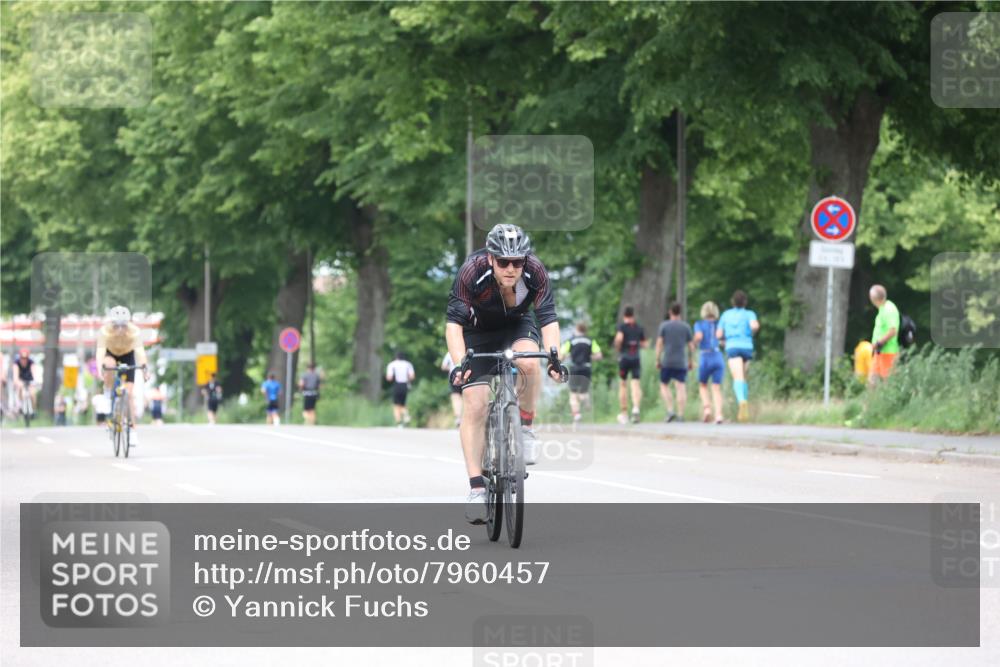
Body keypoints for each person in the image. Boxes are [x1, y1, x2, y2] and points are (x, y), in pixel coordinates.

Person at [446, 223, 567, 524]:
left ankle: (524, 428)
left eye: (517, 262)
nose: (511, 268)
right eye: (503, 262)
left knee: (528, 362)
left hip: (516, 325)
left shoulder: (535, 271)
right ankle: (477, 488)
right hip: (477, 331)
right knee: (475, 402)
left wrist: (554, 357)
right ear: (490, 259)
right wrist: (461, 364)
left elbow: (548, 319)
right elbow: (453, 326)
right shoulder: (471, 271)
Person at [96, 306, 150, 445]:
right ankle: (108, 395)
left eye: (123, 326)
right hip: (111, 354)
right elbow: (100, 355)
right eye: (116, 326)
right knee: (108, 364)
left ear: (128, 324)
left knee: (129, 394)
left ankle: (132, 430)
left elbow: (141, 353)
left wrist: (145, 369)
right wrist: (100, 371)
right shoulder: (104, 332)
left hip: (127, 355)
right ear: (111, 324)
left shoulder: (134, 332)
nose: (120, 329)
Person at [717, 290, 759, 423]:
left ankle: (742, 402)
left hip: (733, 347)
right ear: (745, 302)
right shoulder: (749, 313)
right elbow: (754, 326)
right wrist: (750, 333)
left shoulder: (726, 315)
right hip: (747, 347)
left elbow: (718, 334)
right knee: (744, 378)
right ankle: (744, 411)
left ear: (732, 302)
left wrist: (724, 339)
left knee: (737, 377)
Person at [655, 302, 694, 422]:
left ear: (670, 312)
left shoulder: (664, 326)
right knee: (681, 387)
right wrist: (690, 360)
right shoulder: (686, 327)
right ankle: (681, 414)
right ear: (680, 313)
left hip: (667, 361)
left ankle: (670, 410)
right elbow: (691, 346)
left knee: (664, 385)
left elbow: (659, 344)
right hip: (681, 362)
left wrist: (657, 359)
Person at [560, 322, 603, 425]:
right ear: (585, 330)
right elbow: (599, 356)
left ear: (577, 329)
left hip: (575, 369)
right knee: (584, 392)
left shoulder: (570, 341)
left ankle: (576, 414)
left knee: (573, 393)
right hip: (586, 368)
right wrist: (590, 357)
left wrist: (567, 357)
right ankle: (586, 401)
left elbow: (561, 356)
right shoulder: (590, 341)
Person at [693, 301, 725, 424]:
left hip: (705, 356)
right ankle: (719, 415)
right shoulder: (719, 324)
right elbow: (722, 340)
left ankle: (707, 409)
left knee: (703, 385)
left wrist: (694, 343)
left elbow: (699, 336)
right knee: (716, 387)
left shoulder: (699, 324)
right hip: (717, 356)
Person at [613, 306, 646, 424]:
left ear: (624, 316)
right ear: (633, 315)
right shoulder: (638, 327)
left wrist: (618, 349)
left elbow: (618, 339)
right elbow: (644, 344)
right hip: (636, 358)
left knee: (623, 385)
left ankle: (624, 413)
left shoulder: (622, 327)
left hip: (624, 358)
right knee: (636, 383)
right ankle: (636, 408)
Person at [868, 284, 900, 383]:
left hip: (888, 352)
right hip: (880, 352)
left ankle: (890, 398)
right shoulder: (883, 308)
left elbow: (893, 331)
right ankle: (872, 399)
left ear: (873, 298)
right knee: (872, 380)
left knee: (889, 382)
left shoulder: (889, 309)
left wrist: (878, 343)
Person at [386, 352, 415, 427]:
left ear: (396, 357)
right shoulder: (408, 364)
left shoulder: (392, 364)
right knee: (403, 404)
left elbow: (389, 377)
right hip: (405, 385)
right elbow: (412, 376)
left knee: (396, 405)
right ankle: (406, 415)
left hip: (397, 384)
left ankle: (399, 422)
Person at [440, 352, 463, 427]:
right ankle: (466, 417)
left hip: (454, 376)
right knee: (466, 397)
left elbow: (443, 366)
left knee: (456, 398)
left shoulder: (449, 353)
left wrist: (451, 367)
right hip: (466, 375)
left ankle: (458, 418)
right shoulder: (468, 349)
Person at [12, 348, 37, 414]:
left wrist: (34, 381)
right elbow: (15, 376)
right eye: (22, 358)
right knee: (20, 390)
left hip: (29, 380)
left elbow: (34, 372)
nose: (24, 360)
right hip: (21, 380)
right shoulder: (16, 363)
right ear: (20, 357)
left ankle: (33, 410)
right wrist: (17, 382)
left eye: (25, 358)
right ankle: (20, 406)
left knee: (32, 394)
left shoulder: (31, 362)